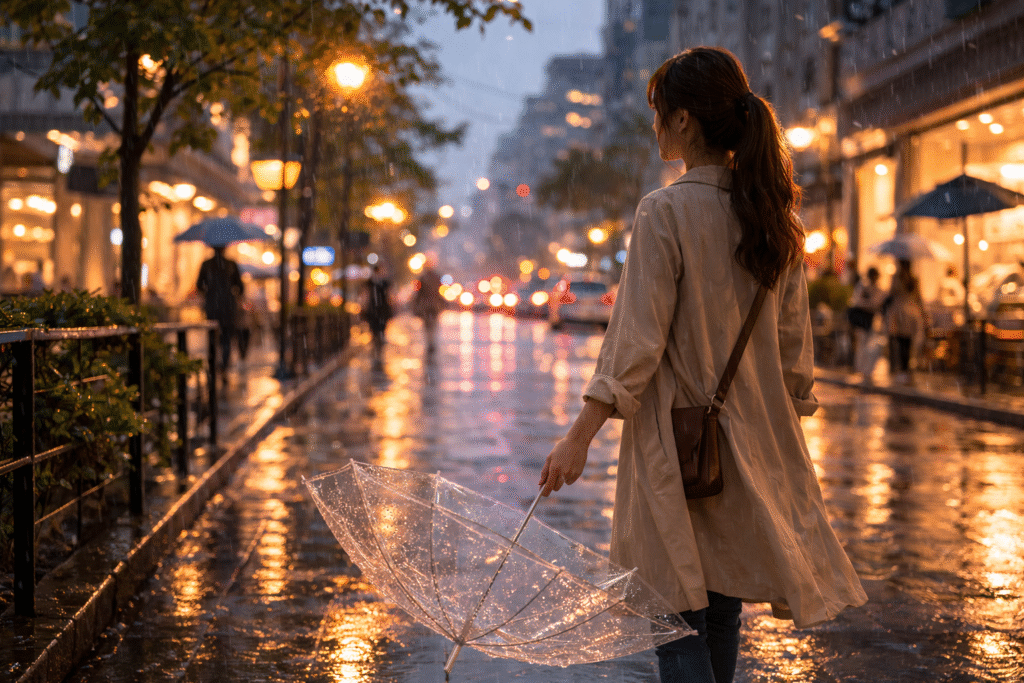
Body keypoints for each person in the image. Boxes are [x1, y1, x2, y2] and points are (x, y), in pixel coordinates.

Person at [538, 47, 866, 683]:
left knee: (675, 615)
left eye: (659, 112)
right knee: (719, 610)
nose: (655, 125)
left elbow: (634, 345)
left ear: (685, 122)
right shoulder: (777, 220)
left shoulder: (665, 212)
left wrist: (579, 437)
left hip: (677, 448)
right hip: (756, 448)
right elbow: (796, 362)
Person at [196, 245, 244, 375]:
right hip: (227, 306)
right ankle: (223, 366)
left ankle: (213, 366)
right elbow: (240, 287)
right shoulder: (231, 264)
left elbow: (199, 285)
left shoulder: (206, 264)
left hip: (212, 306)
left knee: (212, 337)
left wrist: (209, 291)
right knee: (226, 338)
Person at [884, 258, 928, 382]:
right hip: (912, 312)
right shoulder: (914, 279)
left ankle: (901, 369)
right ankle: (906, 368)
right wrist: (923, 314)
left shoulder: (897, 278)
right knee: (908, 342)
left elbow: (891, 294)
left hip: (899, 312)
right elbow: (919, 298)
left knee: (899, 341)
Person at [848, 266, 886, 380]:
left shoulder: (877, 289)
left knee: (868, 344)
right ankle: (860, 369)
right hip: (861, 319)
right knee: (861, 343)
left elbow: (876, 303)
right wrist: (870, 304)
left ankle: (866, 370)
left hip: (870, 320)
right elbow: (859, 301)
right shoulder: (863, 287)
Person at [362, 264, 393, 370]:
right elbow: (389, 297)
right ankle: (377, 353)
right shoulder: (379, 283)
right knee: (377, 333)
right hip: (378, 312)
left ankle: (377, 353)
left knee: (377, 333)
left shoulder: (377, 283)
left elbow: (366, 296)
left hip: (378, 312)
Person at [413, 258, 446, 355]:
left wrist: (417, 304)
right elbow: (440, 291)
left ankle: (430, 341)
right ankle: (431, 342)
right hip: (433, 305)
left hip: (426, 305)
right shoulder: (436, 277)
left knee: (428, 325)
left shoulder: (423, 277)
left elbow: (418, 293)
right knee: (432, 324)